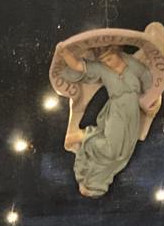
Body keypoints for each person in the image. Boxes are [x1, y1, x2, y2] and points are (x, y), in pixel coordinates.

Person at [58, 43, 154, 197]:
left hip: (132, 111)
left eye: (109, 58)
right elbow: (77, 66)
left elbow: (146, 76)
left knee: (122, 153)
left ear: (117, 52)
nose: (107, 63)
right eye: (104, 60)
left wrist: (151, 97)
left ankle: (93, 180)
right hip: (117, 109)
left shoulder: (131, 64)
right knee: (113, 152)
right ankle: (85, 137)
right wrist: (64, 52)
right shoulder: (102, 69)